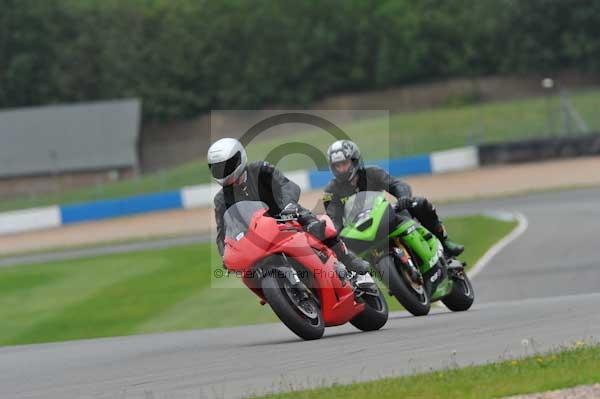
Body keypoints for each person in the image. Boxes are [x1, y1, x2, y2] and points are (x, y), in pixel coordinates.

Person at [209, 137, 370, 275]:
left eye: (227, 165)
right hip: (257, 238)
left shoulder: (260, 169)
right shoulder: (221, 199)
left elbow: (287, 186)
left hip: (285, 215)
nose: (223, 172)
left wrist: (288, 205)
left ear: (239, 158)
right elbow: (222, 232)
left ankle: (347, 260)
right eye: (218, 168)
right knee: (249, 272)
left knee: (317, 226)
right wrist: (226, 255)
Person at [322, 140, 464, 257]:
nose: (342, 169)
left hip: (386, 217)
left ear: (354, 161)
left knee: (420, 204)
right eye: (337, 166)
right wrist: (335, 235)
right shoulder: (330, 191)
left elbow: (397, 185)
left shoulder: (372, 173)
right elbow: (334, 219)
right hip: (360, 232)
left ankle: (445, 242)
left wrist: (403, 197)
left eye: (344, 163)